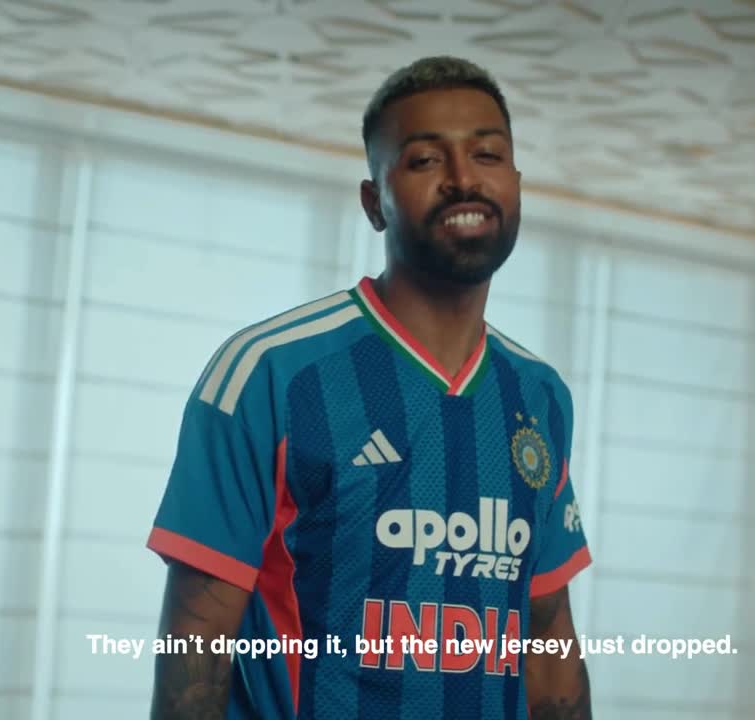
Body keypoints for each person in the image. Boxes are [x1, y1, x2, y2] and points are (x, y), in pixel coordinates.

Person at [146, 56, 593, 720]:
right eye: (424, 160)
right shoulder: (270, 373)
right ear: (373, 202)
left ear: (516, 185)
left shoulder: (540, 396)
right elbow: (195, 657)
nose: (463, 178)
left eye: (488, 155)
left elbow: (548, 643)